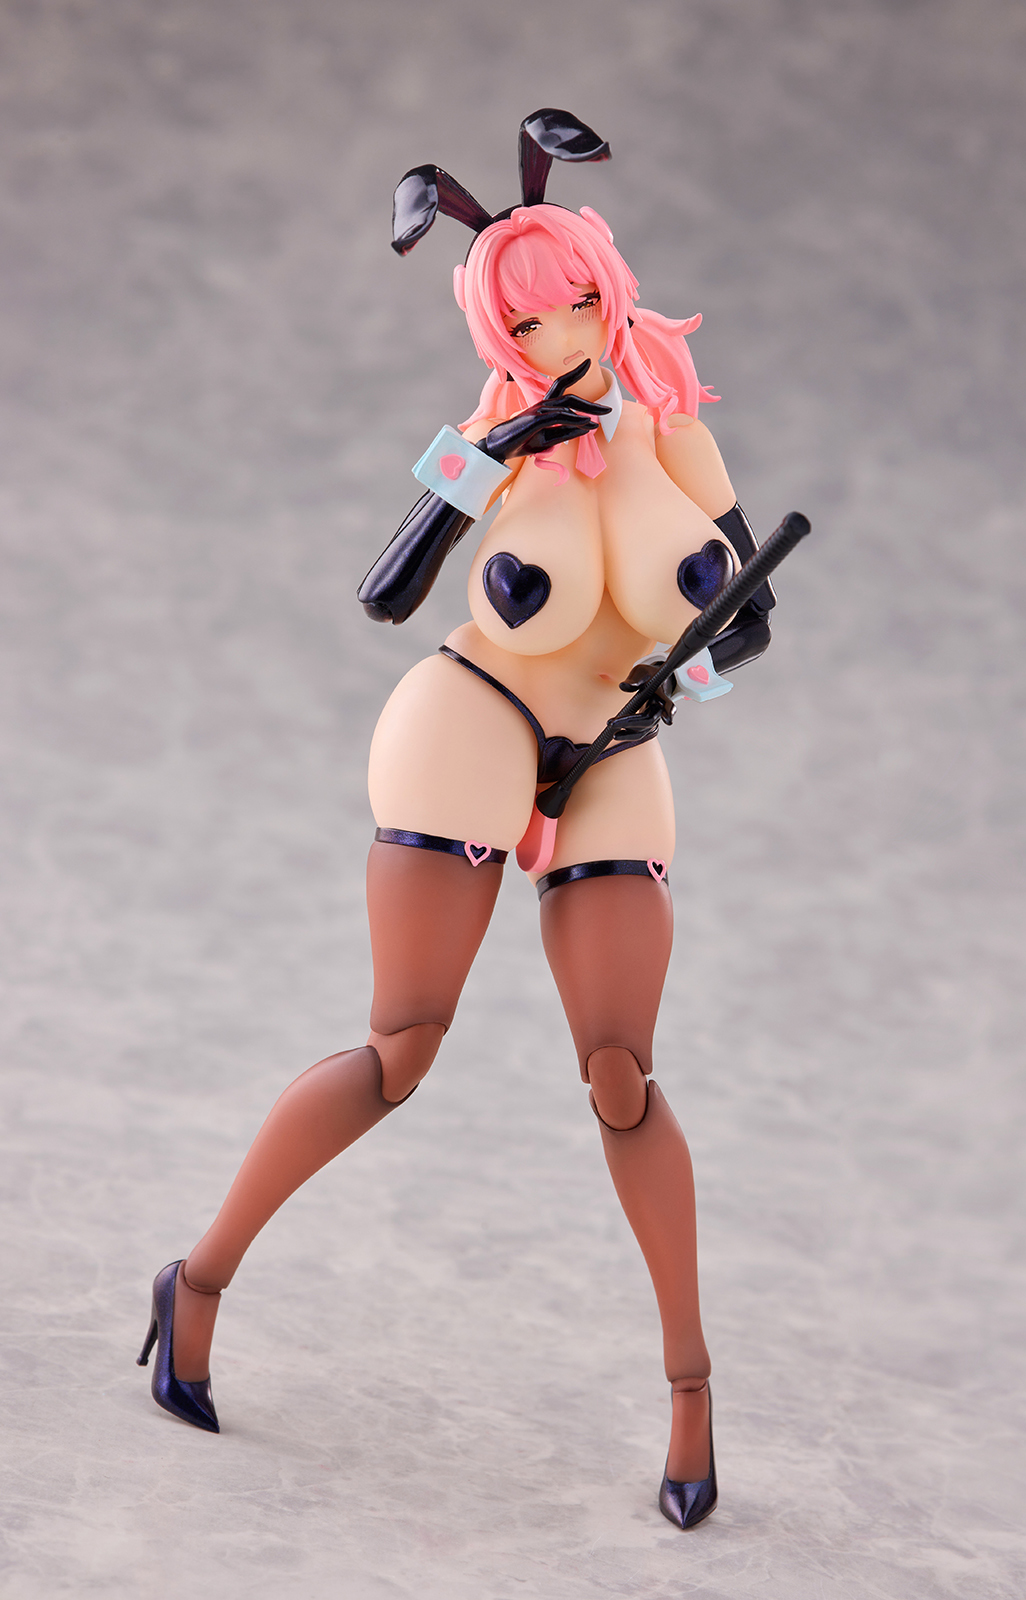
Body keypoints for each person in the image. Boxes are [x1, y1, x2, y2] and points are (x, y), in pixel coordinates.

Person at [138, 110, 777, 1531]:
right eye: (522, 321)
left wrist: (707, 662)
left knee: (622, 1073)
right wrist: (501, 452)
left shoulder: (676, 432)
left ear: (608, 287)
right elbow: (388, 592)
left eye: (570, 305)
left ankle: (690, 1390)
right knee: (403, 1050)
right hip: (471, 718)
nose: (554, 336)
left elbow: (745, 620)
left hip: (613, 743)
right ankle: (198, 1279)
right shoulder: (493, 428)